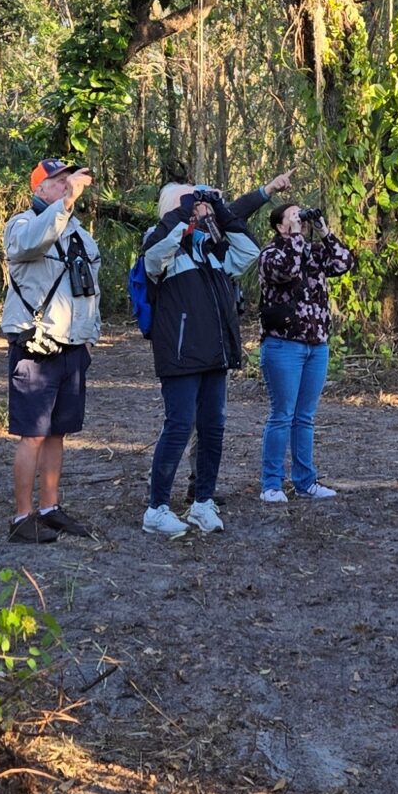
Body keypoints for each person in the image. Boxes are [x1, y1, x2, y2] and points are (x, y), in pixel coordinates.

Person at [135, 172, 292, 537]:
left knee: (213, 429)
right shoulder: (160, 243)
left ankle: (202, 502)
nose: (197, 206)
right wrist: (184, 212)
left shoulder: (210, 247)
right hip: (180, 353)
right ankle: (156, 508)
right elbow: (154, 256)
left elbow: (249, 251)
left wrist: (219, 208)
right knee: (177, 427)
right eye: (189, 201)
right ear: (172, 208)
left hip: (215, 354)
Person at [0, 158, 104, 543]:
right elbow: (32, 243)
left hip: (73, 348)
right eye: (58, 181)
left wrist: (91, 336)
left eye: (69, 180)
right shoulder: (23, 224)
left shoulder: (79, 233)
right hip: (37, 348)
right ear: (39, 189)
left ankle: (50, 507)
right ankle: (22, 517)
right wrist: (66, 204)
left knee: (58, 433)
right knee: (33, 435)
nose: (66, 186)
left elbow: (92, 286)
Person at [255, 202, 357, 501]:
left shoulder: (312, 251)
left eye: (301, 215)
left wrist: (324, 230)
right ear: (279, 226)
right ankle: (271, 485)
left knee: (305, 417)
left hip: (317, 345)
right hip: (283, 345)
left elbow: (343, 263)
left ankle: (305, 481)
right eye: (293, 216)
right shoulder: (271, 255)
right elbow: (289, 269)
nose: (299, 219)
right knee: (282, 415)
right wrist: (296, 236)